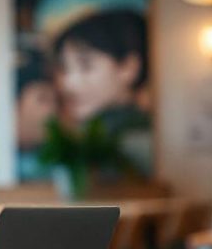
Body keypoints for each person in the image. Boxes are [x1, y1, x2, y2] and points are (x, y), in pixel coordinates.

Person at [51, 9, 153, 175]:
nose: (68, 83)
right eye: (64, 67)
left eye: (85, 65)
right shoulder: (83, 137)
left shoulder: (138, 141)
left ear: (129, 66)